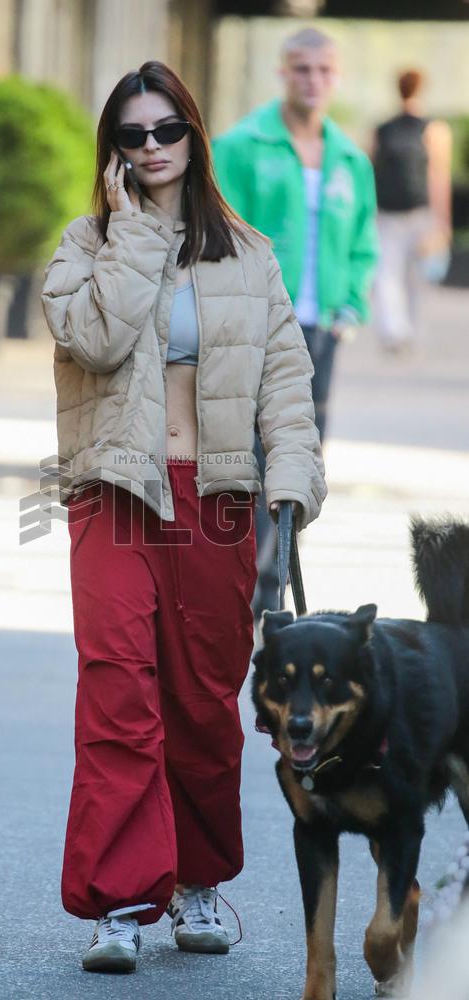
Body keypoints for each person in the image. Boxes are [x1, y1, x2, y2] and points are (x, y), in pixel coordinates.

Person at [41, 59, 326, 975]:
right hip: (114, 494)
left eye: (167, 130)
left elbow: (285, 384)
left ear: (194, 136)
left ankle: (196, 883)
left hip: (217, 501)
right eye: (134, 135)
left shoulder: (248, 254)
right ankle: (121, 900)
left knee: (201, 707)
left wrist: (291, 485)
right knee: (117, 694)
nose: (153, 147)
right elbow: (92, 337)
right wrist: (133, 237)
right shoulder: (84, 245)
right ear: (113, 150)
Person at [212, 26, 378, 620]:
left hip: (322, 330)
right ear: (283, 73)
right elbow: (222, 234)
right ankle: (242, 585)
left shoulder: (351, 161)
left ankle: (275, 584)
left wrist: (350, 306)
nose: (313, 80)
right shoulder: (240, 147)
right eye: (301, 69)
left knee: (301, 460)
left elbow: (363, 240)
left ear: (336, 77)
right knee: (251, 457)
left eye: (324, 70)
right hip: (257, 327)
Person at [370, 69, 453, 353]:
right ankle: (411, 332)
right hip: (421, 211)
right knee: (418, 277)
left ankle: (395, 331)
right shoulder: (434, 129)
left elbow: (370, 171)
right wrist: (443, 221)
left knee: (387, 274)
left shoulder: (382, 129)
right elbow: (438, 176)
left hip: (387, 211)